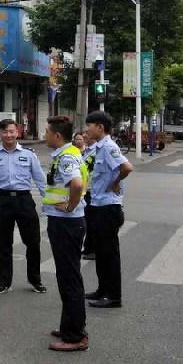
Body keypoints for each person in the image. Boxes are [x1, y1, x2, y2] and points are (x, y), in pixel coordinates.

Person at [0, 118, 48, 295]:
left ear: (17, 132)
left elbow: (41, 181)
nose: (8, 135)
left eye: (11, 131)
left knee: (32, 242)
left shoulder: (29, 155)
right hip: (2, 201)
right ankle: (3, 282)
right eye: (4, 132)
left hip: (24, 200)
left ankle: (35, 280)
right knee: (3, 244)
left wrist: (49, 203)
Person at [43, 115, 89, 351]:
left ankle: (75, 336)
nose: (44, 135)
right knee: (67, 277)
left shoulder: (67, 156)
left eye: (47, 131)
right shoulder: (67, 153)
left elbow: (77, 184)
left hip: (67, 223)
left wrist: (70, 206)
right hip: (64, 222)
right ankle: (70, 325)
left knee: (70, 279)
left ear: (57, 135)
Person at [83, 110, 133, 309]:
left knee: (109, 254)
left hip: (108, 207)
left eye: (90, 126)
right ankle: (102, 289)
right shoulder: (97, 147)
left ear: (100, 127)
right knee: (101, 253)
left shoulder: (109, 147)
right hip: (97, 205)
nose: (87, 130)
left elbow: (127, 167)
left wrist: (115, 182)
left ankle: (113, 296)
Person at [76, 131, 97, 260]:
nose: (83, 138)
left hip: (93, 191)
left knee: (92, 222)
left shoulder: (97, 151)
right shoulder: (88, 151)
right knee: (87, 222)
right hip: (86, 191)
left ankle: (93, 249)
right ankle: (88, 247)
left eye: (86, 135)